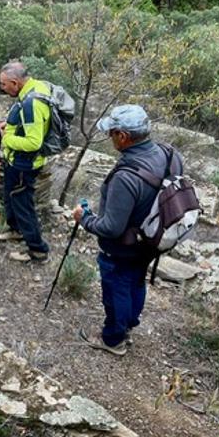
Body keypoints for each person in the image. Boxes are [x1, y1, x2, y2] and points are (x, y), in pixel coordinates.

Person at [72, 104, 178, 356]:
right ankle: (128, 324)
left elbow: (110, 227)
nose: (110, 138)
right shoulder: (168, 154)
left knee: (116, 287)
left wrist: (84, 218)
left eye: (111, 133)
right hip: (151, 240)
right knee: (135, 282)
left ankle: (113, 339)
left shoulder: (126, 176)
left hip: (123, 247)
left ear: (123, 136)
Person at [0, 61, 50, 263]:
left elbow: (34, 142)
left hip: (23, 165)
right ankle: (16, 230)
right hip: (16, 162)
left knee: (23, 205)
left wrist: (6, 138)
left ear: (15, 82)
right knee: (11, 197)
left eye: (4, 84)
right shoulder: (36, 87)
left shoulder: (31, 104)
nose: (2, 88)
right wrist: (10, 124)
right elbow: (28, 124)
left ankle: (38, 251)